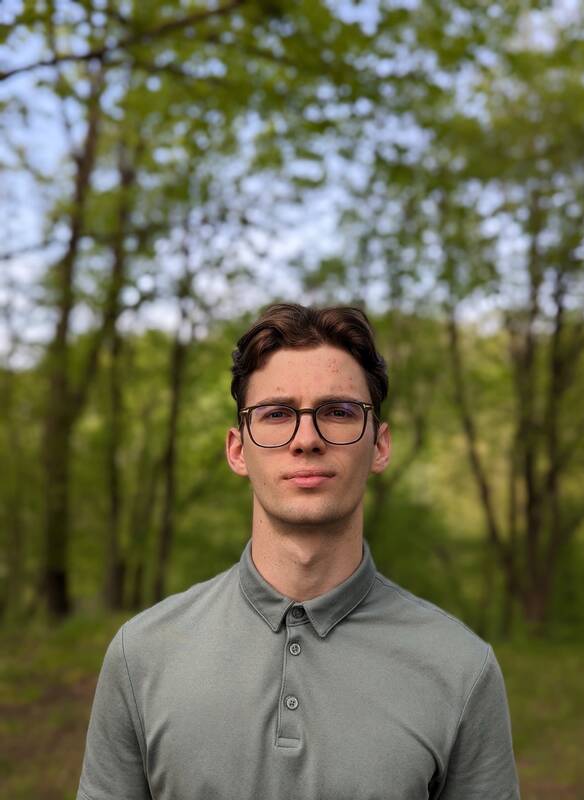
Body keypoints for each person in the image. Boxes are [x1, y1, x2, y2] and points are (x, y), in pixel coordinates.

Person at [77, 303, 520, 800]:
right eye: (276, 414)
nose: (306, 440)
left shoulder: (461, 668)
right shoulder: (141, 655)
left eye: (338, 412)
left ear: (379, 446)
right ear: (238, 449)